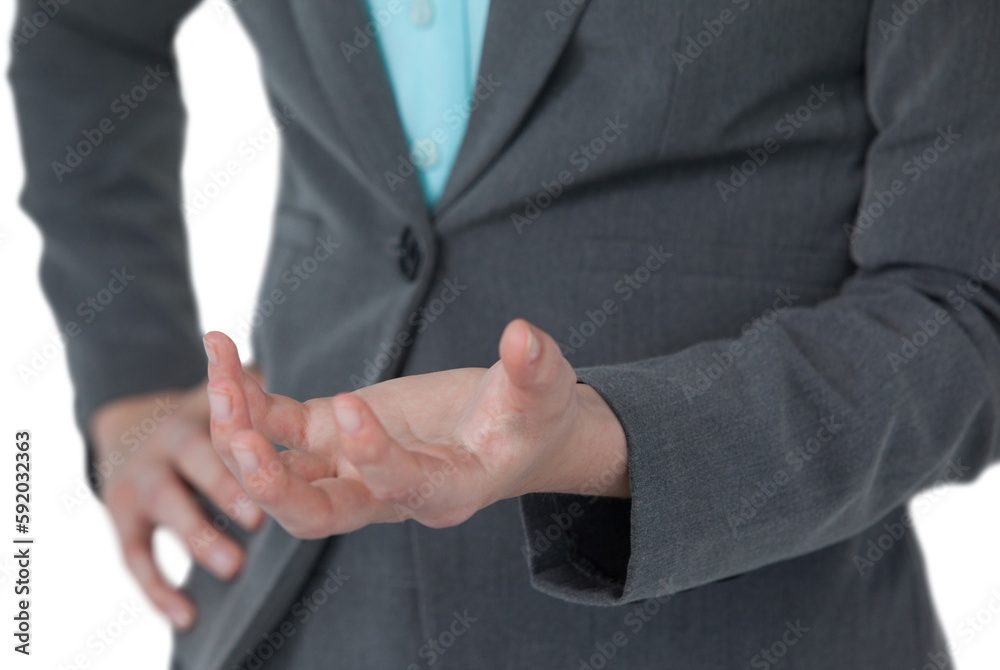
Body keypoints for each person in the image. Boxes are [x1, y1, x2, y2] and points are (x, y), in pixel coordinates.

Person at [10, 0, 1000, 668]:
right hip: (297, 611)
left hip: (736, 626)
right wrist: (129, 379)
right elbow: (84, 29)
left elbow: (963, 310)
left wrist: (602, 442)